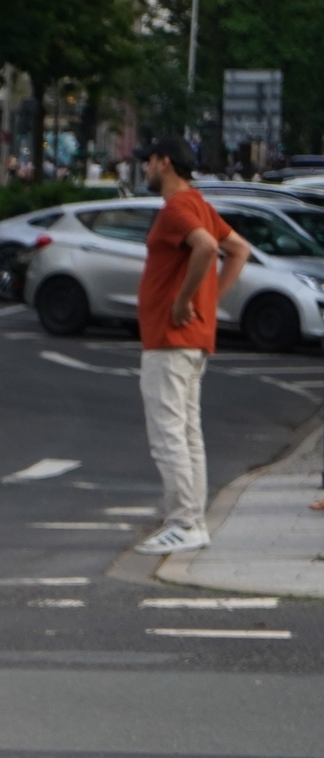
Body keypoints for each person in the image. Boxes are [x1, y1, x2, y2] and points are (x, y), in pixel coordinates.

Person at [131, 137, 252, 556]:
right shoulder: (199, 203)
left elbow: (206, 247)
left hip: (170, 337)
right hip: (193, 340)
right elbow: (239, 249)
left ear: (165, 163)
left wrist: (185, 300)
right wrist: (211, 301)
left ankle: (183, 522)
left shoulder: (178, 207)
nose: (144, 169)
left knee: (168, 434)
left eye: (148, 161)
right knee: (187, 432)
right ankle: (193, 520)